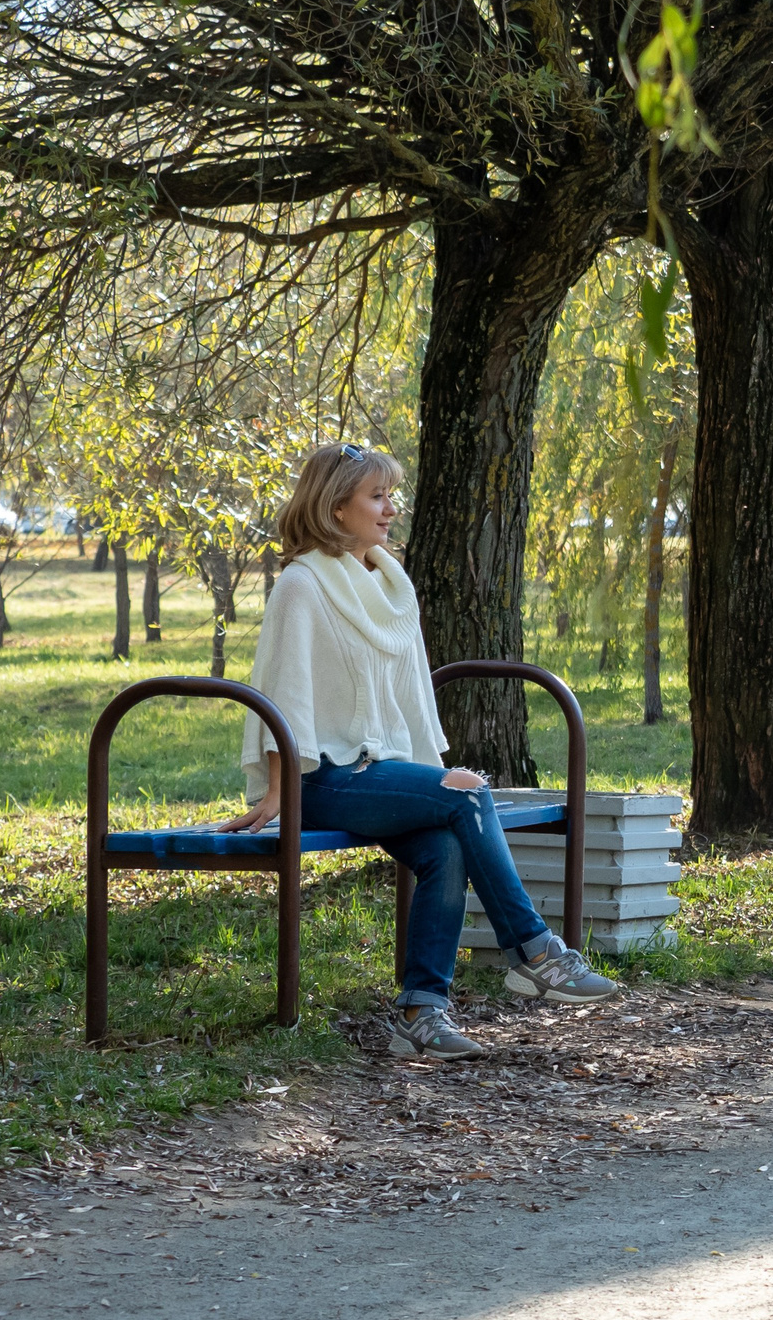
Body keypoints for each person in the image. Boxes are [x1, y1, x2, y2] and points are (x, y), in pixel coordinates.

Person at [221, 442, 614, 1058]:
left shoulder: (388, 588)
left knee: (445, 848)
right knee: (468, 792)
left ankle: (420, 1012)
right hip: (319, 780)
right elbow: (283, 694)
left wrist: (428, 778)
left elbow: (404, 695)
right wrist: (277, 791)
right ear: (336, 506)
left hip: (377, 771)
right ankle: (536, 952)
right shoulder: (302, 585)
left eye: (391, 495)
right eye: (377, 496)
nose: (391, 509)